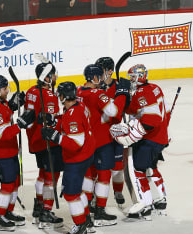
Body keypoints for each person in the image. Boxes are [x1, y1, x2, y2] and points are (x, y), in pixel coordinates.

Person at [110, 64, 169, 219]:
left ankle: (146, 205)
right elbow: (139, 110)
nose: (131, 80)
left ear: (140, 76)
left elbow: (152, 119)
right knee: (151, 167)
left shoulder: (143, 92)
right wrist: (124, 98)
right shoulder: (154, 88)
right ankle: (161, 199)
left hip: (149, 139)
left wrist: (133, 134)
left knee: (138, 170)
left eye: (133, 77)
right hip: (160, 136)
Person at [76, 64, 130, 227]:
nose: (102, 79)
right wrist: (122, 94)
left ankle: (86, 211)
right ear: (94, 78)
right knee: (104, 176)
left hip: (85, 141)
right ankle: (99, 212)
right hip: (101, 141)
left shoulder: (78, 91)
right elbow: (114, 111)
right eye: (99, 76)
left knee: (88, 175)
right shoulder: (98, 94)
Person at [41, 81, 95, 234]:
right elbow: (67, 119)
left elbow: (76, 143)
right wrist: (53, 120)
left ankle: (80, 225)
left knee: (71, 193)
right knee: (78, 190)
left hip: (77, 159)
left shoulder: (73, 114)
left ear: (64, 96)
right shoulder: (78, 106)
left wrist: (55, 137)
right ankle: (86, 220)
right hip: (87, 155)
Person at [0, 75, 34, 231]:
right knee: (7, 185)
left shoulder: (1, 103)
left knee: (14, 182)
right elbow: (2, 133)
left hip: (9, 150)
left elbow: (6, 113)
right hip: (0, 152)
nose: (8, 91)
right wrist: (20, 124)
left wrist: (12, 104)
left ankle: (8, 211)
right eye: (5, 89)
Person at [24, 62, 63, 229]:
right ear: (47, 77)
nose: (55, 77)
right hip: (48, 141)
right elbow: (51, 122)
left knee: (43, 173)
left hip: (35, 139)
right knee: (51, 177)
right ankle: (46, 210)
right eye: (53, 74)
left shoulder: (31, 91)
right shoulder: (49, 95)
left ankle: (38, 207)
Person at [95, 57, 126, 207]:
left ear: (110, 72)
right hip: (100, 134)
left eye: (100, 70)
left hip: (116, 132)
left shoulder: (119, 86)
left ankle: (118, 191)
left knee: (118, 165)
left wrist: (125, 95)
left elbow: (124, 109)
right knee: (99, 167)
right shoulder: (96, 87)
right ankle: (96, 195)